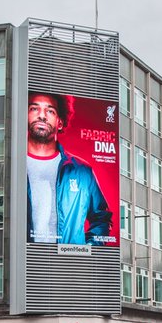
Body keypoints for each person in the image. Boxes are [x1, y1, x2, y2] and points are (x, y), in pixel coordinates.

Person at [26, 92, 113, 245]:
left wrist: (87, 248)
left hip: (67, 261)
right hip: (22, 259)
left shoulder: (82, 171)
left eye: (50, 111)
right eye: (34, 109)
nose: (42, 116)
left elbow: (102, 218)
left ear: (60, 122)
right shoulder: (12, 164)